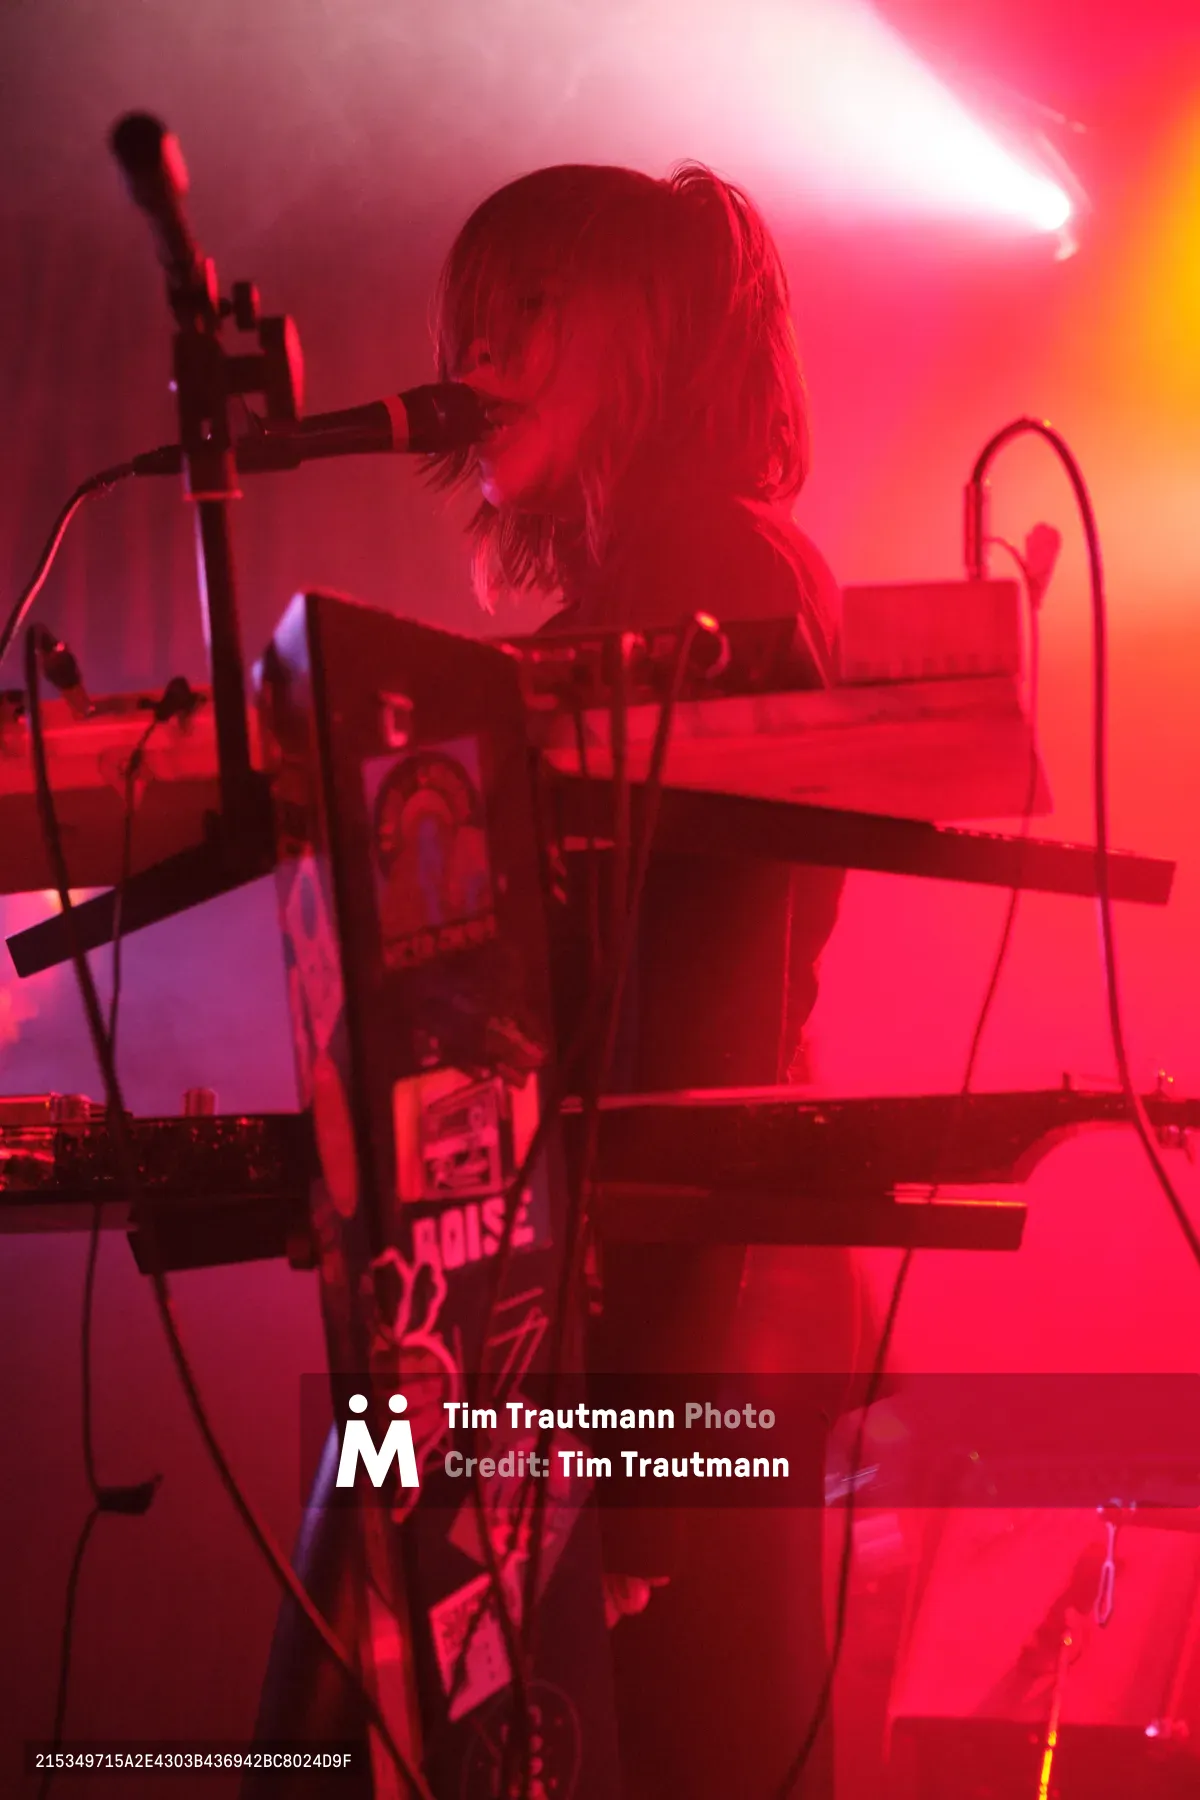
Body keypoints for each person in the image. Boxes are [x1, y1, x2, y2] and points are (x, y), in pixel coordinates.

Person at [426, 161, 847, 1799]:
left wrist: (643, 1458)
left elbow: (711, 1023)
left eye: (521, 317)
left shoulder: (715, 564)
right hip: (664, 1313)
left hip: (694, 1321)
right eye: (468, 326)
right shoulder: (660, 577)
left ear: (650, 329)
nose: (473, 365)